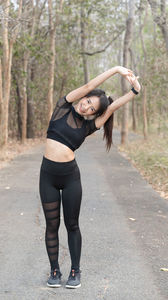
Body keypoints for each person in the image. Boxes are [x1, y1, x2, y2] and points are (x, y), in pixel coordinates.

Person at [39, 66, 141, 289]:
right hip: (47, 175)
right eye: (86, 101)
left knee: (72, 224)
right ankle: (54, 270)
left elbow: (112, 107)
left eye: (91, 108)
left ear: (94, 114)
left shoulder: (89, 127)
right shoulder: (62, 106)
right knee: (51, 225)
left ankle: (75, 271)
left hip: (70, 177)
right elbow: (89, 87)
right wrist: (116, 70)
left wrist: (134, 92)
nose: (85, 106)